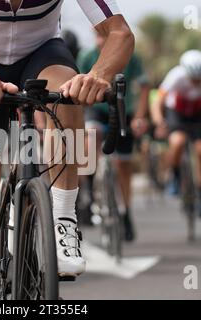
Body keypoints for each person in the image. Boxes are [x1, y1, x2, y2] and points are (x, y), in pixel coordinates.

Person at [0, 0, 134, 300]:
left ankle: (64, 220)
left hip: (42, 55)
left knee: (68, 91)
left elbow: (119, 32)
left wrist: (97, 76)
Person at [78, 29, 150, 241]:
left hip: (123, 110)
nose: (102, 40)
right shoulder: (87, 56)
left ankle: (126, 213)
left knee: (123, 166)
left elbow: (144, 87)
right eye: (98, 36)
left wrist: (139, 117)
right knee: (91, 134)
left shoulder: (132, 57)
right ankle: (89, 191)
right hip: (97, 109)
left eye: (106, 36)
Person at [150, 50, 201, 218]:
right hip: (177, 112)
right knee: (177, 142)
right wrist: (159, 121)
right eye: (193, 79)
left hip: (199, 113)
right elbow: (157, 101)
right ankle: (175, 176)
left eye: (199, 79)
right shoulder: (176, 76)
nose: (197, 83)